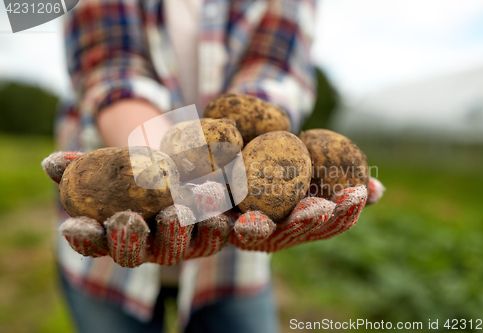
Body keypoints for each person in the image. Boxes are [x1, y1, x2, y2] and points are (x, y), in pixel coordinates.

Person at [56, 0, 317, 332]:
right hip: (108, 258)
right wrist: (160, 168)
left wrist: (248, 154)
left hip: (232, 256)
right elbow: (111, 65)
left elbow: (274, 69)